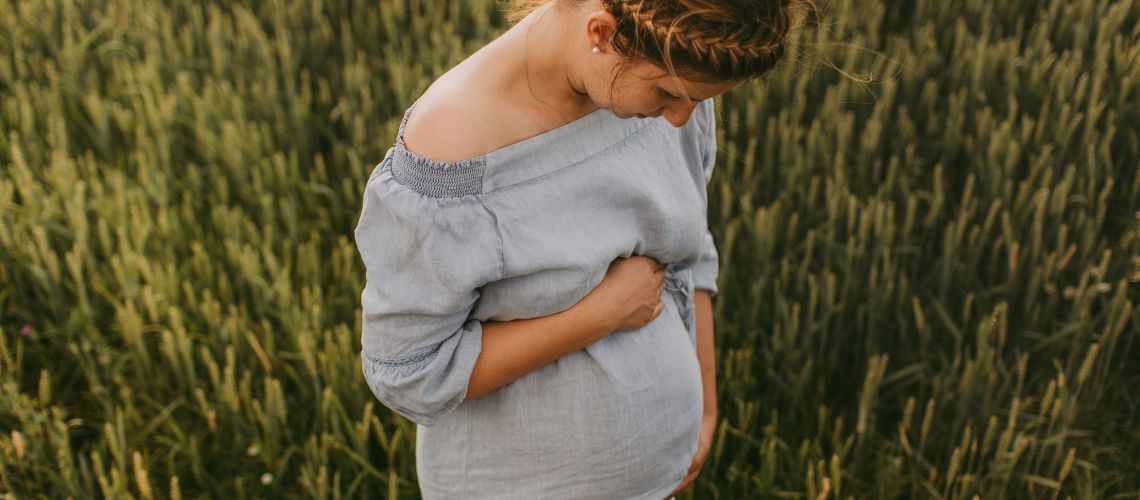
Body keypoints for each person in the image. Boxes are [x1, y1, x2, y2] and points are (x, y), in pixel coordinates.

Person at [354, 0, 807, 497]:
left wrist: (705, 410)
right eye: (668, 94)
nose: (680, 118)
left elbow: (691, 249)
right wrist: (600, 314)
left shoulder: (672, 73)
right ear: (603, 33)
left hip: (664, 476)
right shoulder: (452, 144)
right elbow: (410, 372)